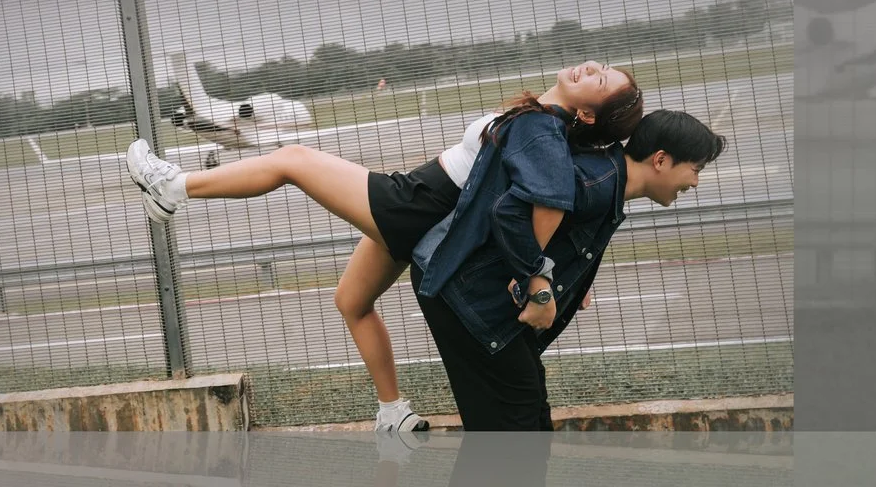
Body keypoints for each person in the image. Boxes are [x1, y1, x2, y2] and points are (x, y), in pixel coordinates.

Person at [121, 62, 645, 436]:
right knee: (351, 300)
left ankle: (173, 188)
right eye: (601, 67)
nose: (591, 68)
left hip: (417, 204)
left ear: (589, 113)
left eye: (601, 80)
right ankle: (393, 410)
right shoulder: (543, 124)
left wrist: (545, 276)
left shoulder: (544, 132)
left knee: (292, 160)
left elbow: (547, 201)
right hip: (427, 204)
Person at [409, 107, 727, 430]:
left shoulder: (607, 181)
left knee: (526, 413)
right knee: (516, 419)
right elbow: (508, 214)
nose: (695, 182)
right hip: (462, 295)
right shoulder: (594, 185)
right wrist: (540, 287)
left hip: (473, 296)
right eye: (695, 169)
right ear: (660, 160)